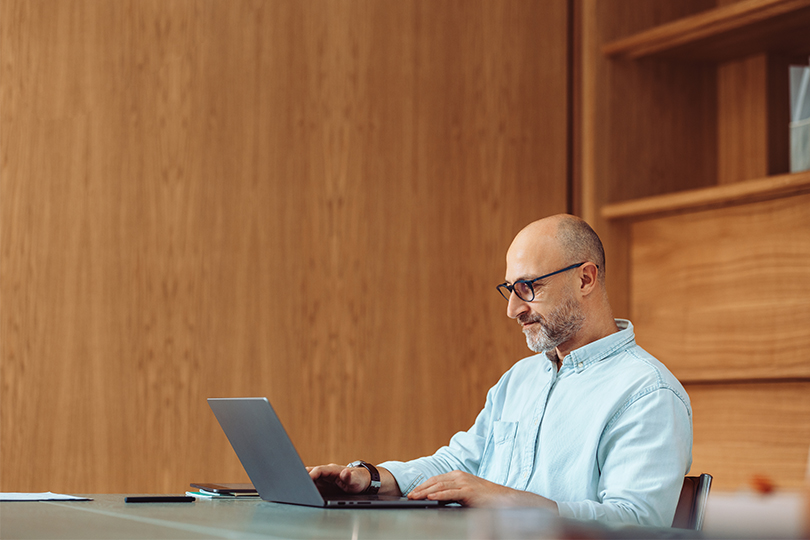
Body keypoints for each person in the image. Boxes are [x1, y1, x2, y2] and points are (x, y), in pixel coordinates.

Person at [308, 214, 692, 527]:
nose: (512, 309)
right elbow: (457, 464)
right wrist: (372, 480)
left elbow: (639, 524)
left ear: (584, 279)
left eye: (527, 288)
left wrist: (510, 501)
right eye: (509, 289)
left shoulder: (649, 393)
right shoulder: (520, 379)